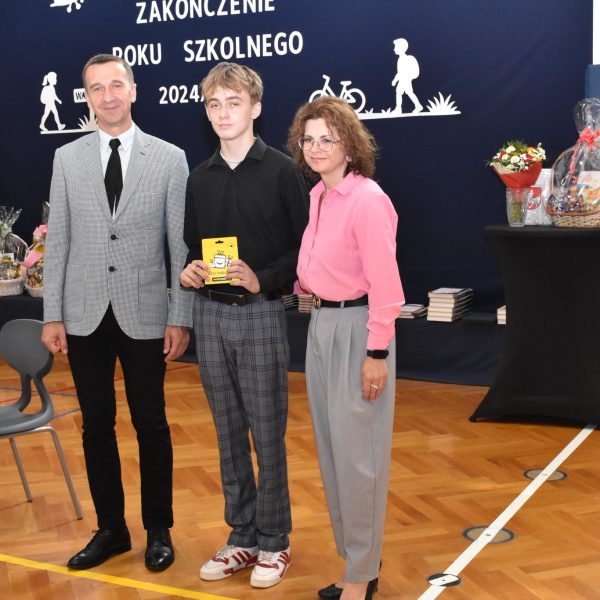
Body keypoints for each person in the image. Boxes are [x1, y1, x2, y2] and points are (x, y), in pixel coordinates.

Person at [42, 53, 192, 572]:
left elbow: (180, 245)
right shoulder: (66, 158)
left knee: (151, 421)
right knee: (96, 425)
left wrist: (180, 315)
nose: (107, 96)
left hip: (146, 311)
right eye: (96, 88)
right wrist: (52, 314)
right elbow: (58, 242)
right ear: (86, 97)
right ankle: (111, 529)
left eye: (115, 85)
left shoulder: (169, 158)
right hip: (83, 313)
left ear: (133, 90)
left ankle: (158, 529)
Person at [179, 62, 309, 589]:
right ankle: (243, 536)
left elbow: (306, 250)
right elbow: (193, 247)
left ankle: (275, 541)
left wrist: (265, 279)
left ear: (255, 107)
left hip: (261, 314)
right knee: (227, 432)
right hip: (209, 314)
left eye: (233, 102)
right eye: (213, 104)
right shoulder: (198, 177)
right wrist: (188, 271)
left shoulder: (283, 171)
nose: (222, 113)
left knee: (266, 433)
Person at [287, 96, 404, 600]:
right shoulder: (319, 194)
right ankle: (355, 561)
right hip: (321, 326)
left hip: (358, 331)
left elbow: (387, 288)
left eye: (327, 139)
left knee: (360, 460)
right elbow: (316, 266)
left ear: (350, 147)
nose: (316, 148)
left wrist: (376, 355)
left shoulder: (367, 199)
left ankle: (363, 573)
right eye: (308, 139)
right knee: (335, 455)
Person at [391, 37, 423, 114]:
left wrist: (395, 80)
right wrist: (395, 80)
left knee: (408, 93)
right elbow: (399, 72)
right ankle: (399, 108)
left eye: (395, 47)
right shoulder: (400, 59)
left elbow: (401, 72)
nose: (394, 49)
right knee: (400, 92)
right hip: (403, 80)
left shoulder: (404, 59)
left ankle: (417, 106)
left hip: (405, 80)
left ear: (401, 48)